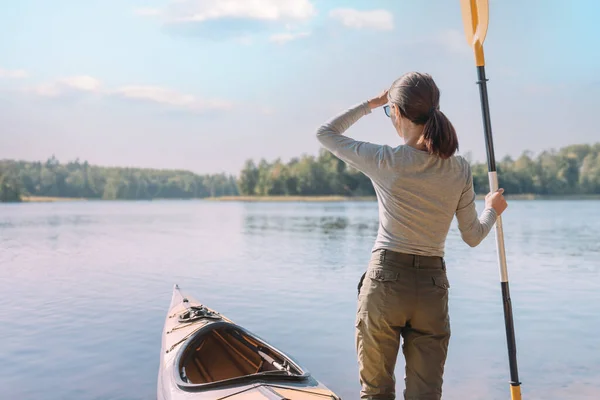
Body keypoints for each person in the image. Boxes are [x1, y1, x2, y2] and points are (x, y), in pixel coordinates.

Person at [315, 72, 508, 400]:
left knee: (376, 393)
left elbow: (325, 133)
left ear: (398, 112)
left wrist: (370, 105)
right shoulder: (458, 167)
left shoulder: (386, 160)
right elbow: (473, 236)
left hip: (385, 283)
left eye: (391, 111)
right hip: (432, 289)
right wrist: (493, 209)